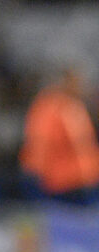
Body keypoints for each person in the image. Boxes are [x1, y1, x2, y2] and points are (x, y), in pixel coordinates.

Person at [19, 64, 99, 205]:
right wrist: (34, 173)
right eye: (78, 82)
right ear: (66, 82)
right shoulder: (48, 107)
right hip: (63, 184)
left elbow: (85, 144)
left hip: (86, 181)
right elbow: (39, 141)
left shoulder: (76, 105)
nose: (83, 87)